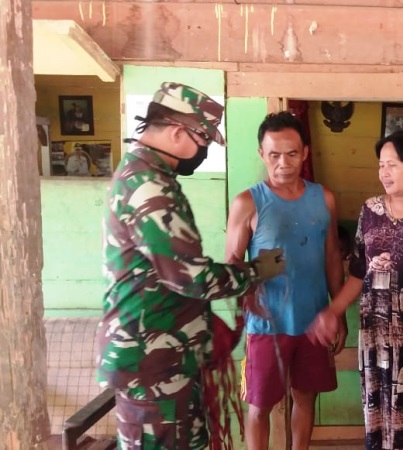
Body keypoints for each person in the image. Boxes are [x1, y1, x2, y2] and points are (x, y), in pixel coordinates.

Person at [96, 82, 285, 449]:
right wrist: (257, 271)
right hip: (152, 361)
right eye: (204, 142)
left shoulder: (143, 175)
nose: (204, 152)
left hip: (163, 354)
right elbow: (192, 277)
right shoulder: (149, 187)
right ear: (178, 132)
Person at [308, 130, 403, 449]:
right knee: (379, 416)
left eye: (392, 165)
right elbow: (357, 272)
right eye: (381, 165)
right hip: (376, 336)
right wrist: (332, 312)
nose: (384, 173)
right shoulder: (370, 211)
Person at [226, 111, 344, 450]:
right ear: (262, 154)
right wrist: (261, 270)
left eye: (292, 153)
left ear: (305, 152)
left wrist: (336, 315)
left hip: (314, 321)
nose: (283, 163)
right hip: (266, 325)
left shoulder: (324, 199)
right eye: (274, 154)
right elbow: (231, 266)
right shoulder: (248, 202)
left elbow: (332, 256)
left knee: (305, 398)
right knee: (259, 405)